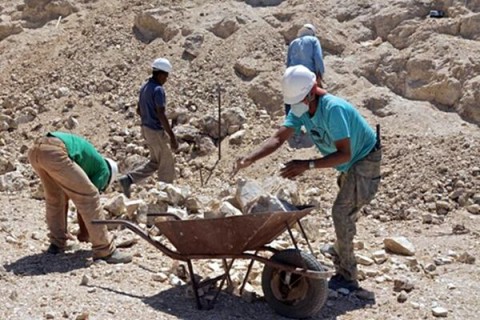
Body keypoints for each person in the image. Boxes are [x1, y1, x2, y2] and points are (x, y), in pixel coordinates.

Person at [233, 65, 382, 291]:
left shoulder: (333, 110)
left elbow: (345, 153)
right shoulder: (302, 107)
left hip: (363, 160)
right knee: (345, 209)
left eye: (300, 100)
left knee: (342, 212)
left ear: (312, 92)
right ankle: (341, 249)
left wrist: (307, 165)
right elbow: (278, 138)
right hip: (346, 164)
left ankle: (348, 274)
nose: (295, 107)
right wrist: (250, 159)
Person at [28, 132, 132, 264]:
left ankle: (57, 244)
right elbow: (85, 202)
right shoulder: (104, 171)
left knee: (56, 198)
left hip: (36, 150)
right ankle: (104, 250)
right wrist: (84, 234)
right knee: (90, 196)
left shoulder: (91, 162)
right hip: (55, 151)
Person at [119, 57, 179, 198]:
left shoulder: (144, 87)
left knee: (155, 162)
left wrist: (147, 117)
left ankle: (128, 179)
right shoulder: (158, 90)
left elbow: (139, 110)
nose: (166, 79)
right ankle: (165, 196)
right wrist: (172, 136)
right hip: (156, 131)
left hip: (146, 130)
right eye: (166, 76)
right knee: (167, 164)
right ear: (160, 74)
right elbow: (161, 113)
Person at [285, 23, 325, 117]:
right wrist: (320, 74)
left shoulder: (293, 43)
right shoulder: (313, 40)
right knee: (314, 100)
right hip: (308, 76)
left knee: (292, 99)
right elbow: (318, 58)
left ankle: (291, 123)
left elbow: (288, 62)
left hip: (293, 75)